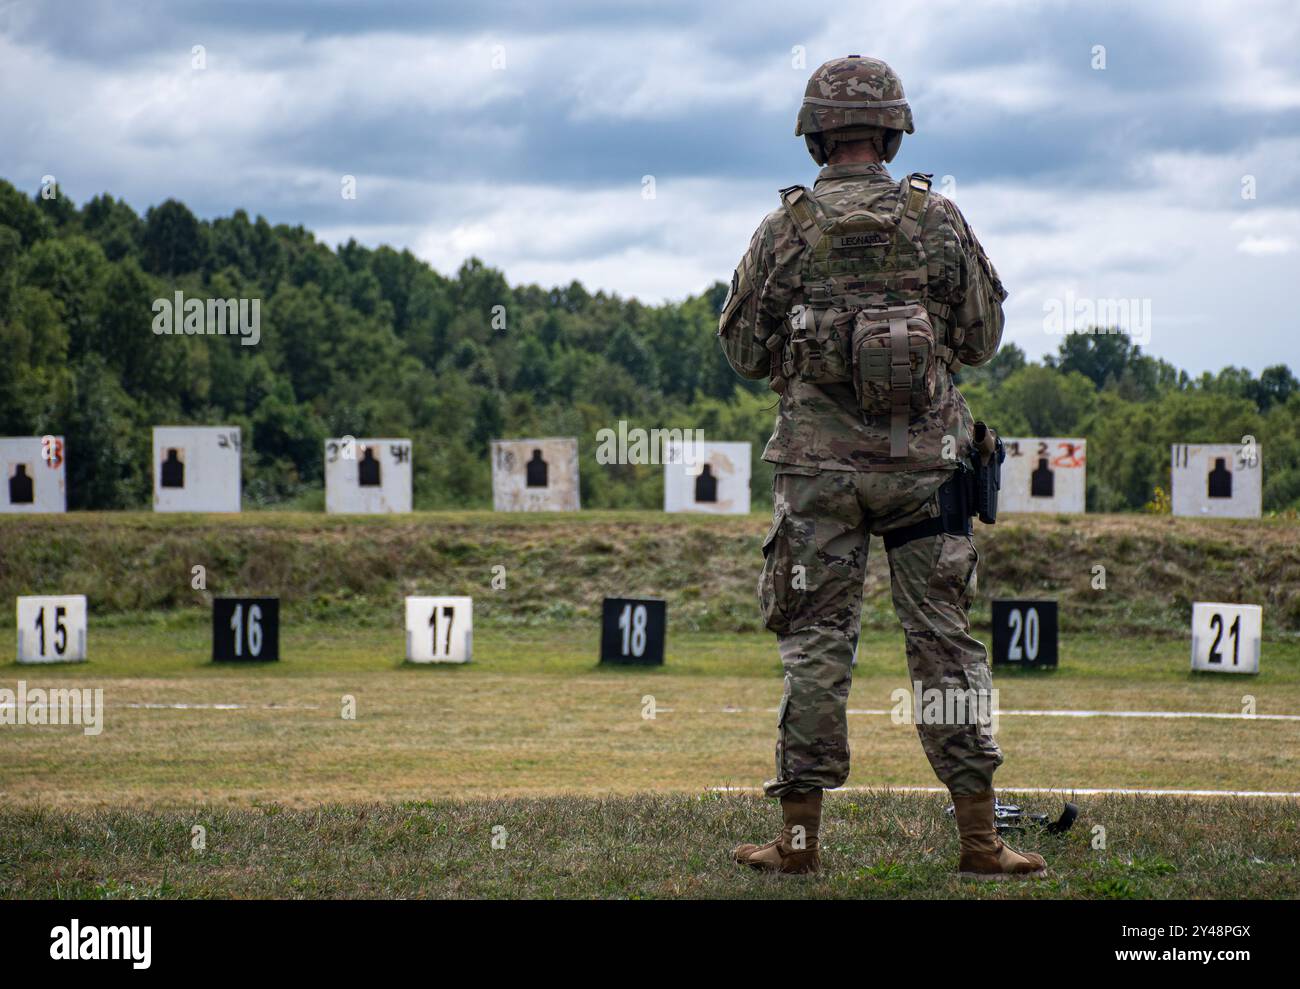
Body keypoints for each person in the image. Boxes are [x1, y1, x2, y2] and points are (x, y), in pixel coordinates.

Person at [718, 55, 1045, 880]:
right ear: (894, 129)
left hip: (818, 477)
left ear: (816, 133)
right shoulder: (939, 219)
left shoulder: (783, 230)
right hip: (925, 474)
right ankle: (979, 843)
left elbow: (744, 350)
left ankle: (797, 848)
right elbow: (980, 337)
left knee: (816, 648)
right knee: (944, 648)